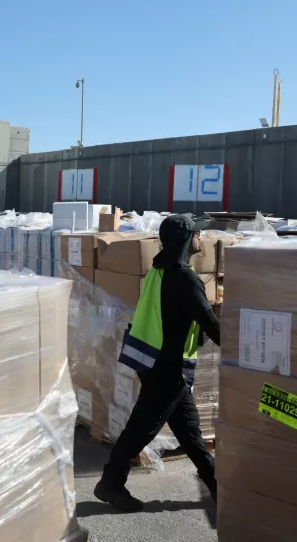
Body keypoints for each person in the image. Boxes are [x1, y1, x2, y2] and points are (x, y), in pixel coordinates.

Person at [94, 214, 219, 512]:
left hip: (154, 361)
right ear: (188, 238)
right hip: (167, 369)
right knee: (142, 429)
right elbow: (210, 323)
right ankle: (110, 483)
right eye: (197, 232)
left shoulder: (160, 271)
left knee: (190, 433)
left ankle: (219, 488)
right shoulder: (184, 277)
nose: (201, 236)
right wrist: (246, 353)